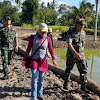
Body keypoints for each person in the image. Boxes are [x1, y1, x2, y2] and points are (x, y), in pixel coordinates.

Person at [21, 23, 57, 100]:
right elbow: (28, 49)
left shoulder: (48, 39)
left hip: (43, 61)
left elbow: (51, 49)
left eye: (45, 32)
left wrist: (54, 59)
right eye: (43, 32)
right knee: (34, 77)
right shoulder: (32, 37)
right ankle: (33, 96)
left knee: (41, 78)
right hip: (34, 60)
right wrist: (24, 60)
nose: (44, 34)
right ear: (39, 30)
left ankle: (39, 93)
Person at [63, 18, 90, 92]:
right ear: (76, 24)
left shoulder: (83, 33)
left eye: (83, 26)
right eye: (80, 25)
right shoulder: (71, 32)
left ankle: (83, 86)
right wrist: (75, 53)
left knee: (84, 69)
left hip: (80, 55)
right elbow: (69, 43)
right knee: (69, 69)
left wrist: (82, 54)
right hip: (71, 55)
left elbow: (82, 45)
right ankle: (66, 83)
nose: (82, 27)